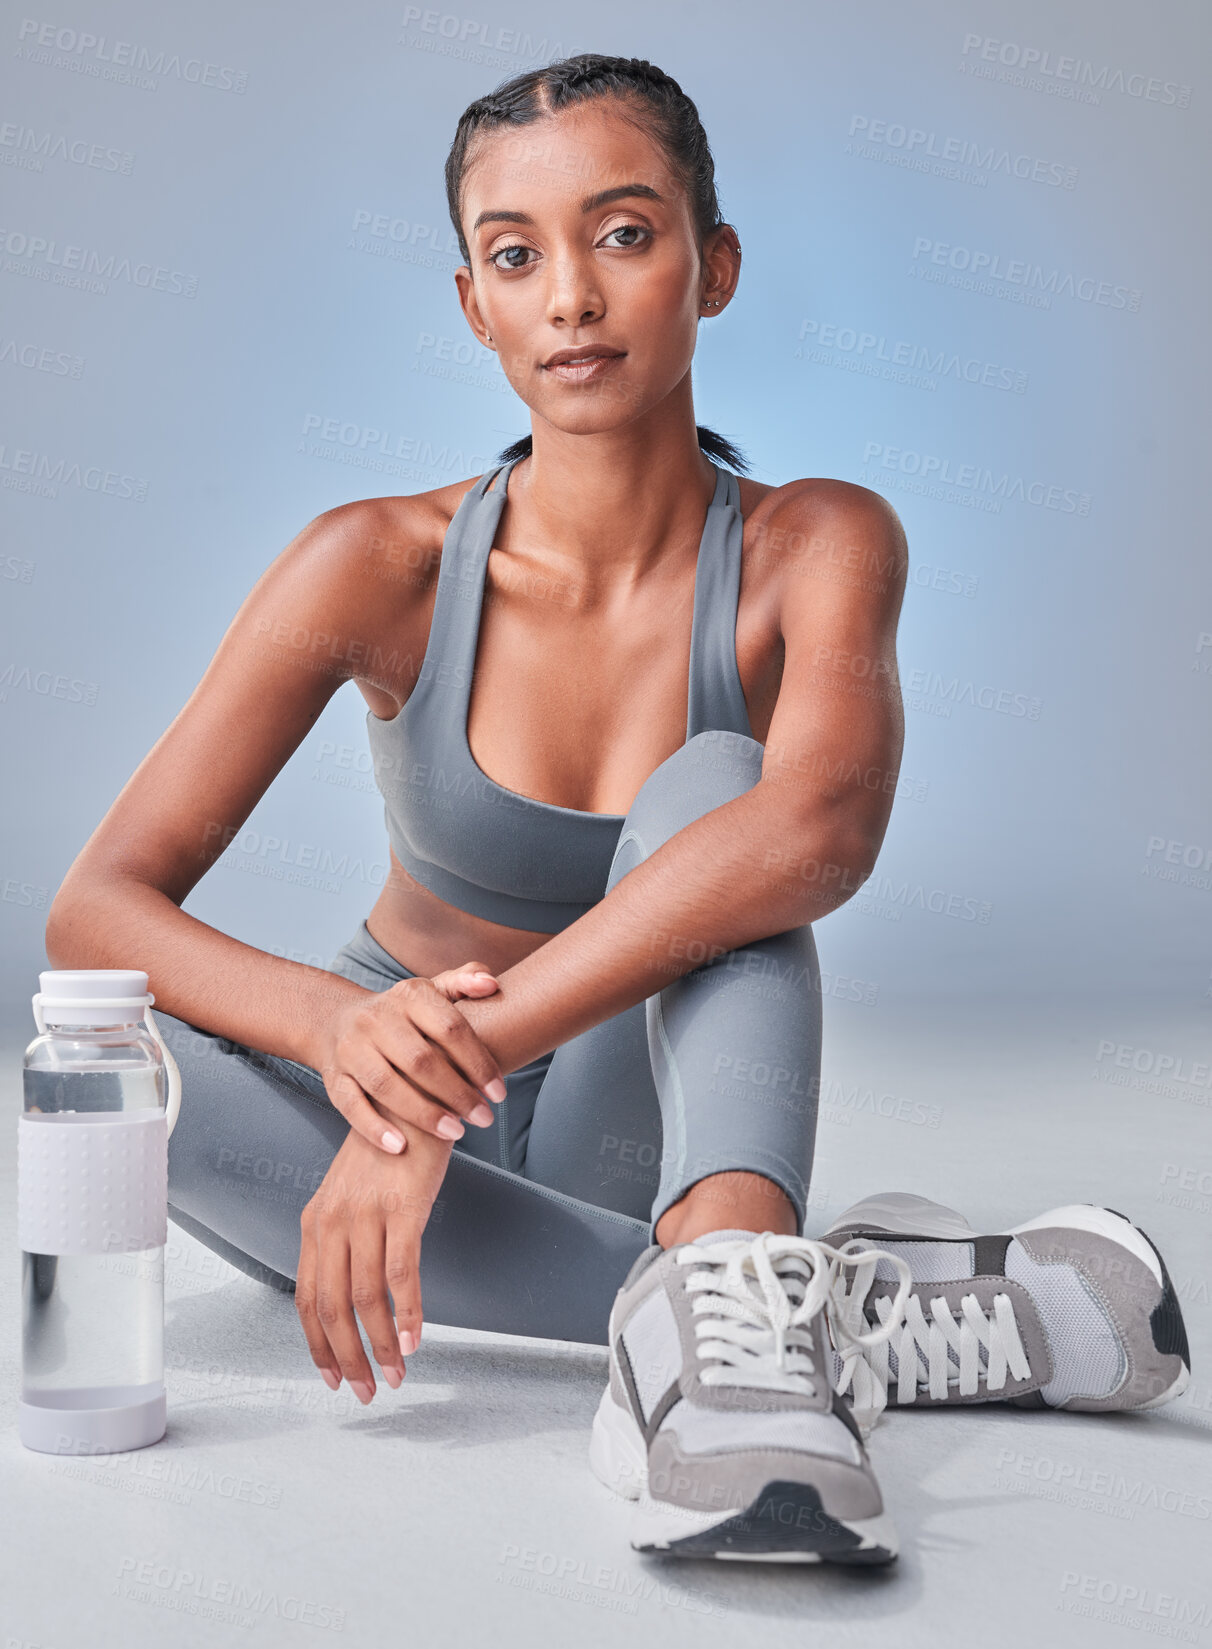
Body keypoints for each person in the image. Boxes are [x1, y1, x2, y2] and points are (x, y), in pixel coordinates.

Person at [45, 53, 1189, 1564]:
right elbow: (94, 912)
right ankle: (781, 1301)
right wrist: (346, 1041)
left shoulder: (817, 542)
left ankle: (725, 1300)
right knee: (109, 1091)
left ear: (712, 266)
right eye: (516, 256)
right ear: (475, 306)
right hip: (375, 1077)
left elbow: (822, 830)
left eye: (625, 234)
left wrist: (443, 1089)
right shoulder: (371, 564)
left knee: (728, 794)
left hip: (621, 1102)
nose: (570, 294)